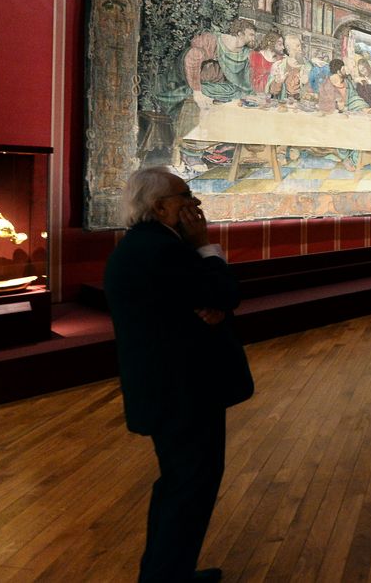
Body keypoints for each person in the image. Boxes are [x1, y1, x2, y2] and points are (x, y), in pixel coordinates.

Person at [104, 166, 254, 583]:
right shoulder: (163, 250)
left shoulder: (149, 246)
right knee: (187, 490)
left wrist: (212, 303)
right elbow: (225, 293)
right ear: (161, 207)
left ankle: (169, 574)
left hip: (172, 390)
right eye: (186, 195)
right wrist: (206, 248)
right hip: (183, 393)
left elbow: (209, 300)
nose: (196, 203)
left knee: (181, 487)